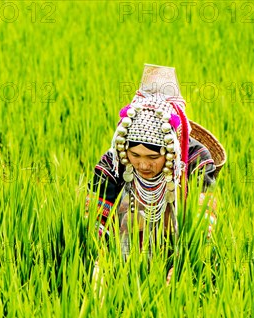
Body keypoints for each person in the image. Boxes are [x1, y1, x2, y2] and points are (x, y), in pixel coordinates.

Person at [85, 64, 223, 286]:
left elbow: (204, 214)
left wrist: (184, 261)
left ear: (171, 150)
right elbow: (96, 213)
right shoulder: (115, 159)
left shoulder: (196, 158)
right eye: (135, 155)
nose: (142, 164)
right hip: (125, 246)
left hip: (177, 243)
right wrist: (99, 258)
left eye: (152, 157)